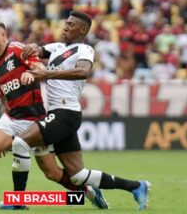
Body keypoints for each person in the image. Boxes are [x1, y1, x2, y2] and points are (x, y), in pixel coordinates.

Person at [12, 11, 152, 211]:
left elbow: (83, 71)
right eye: (66, 23)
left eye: (71, 24)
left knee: (20, 143)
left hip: (65, 112)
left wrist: (47, 73)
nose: (66, 27)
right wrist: (33, 47)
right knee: (77, 175)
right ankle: (136, 186)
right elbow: (39, 50)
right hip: (61, 114)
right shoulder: (57, 47)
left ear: (83, 30)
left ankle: (17, 204)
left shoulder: (84, 49)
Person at [0, 19, 108, 210]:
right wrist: (5, 130)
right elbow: (4, 95)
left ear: (2, 35)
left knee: (52, 173)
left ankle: (88, 191)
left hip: (34, 120)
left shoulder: (18, 49)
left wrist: (32, 74)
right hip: (11, 117)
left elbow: (40, 68)